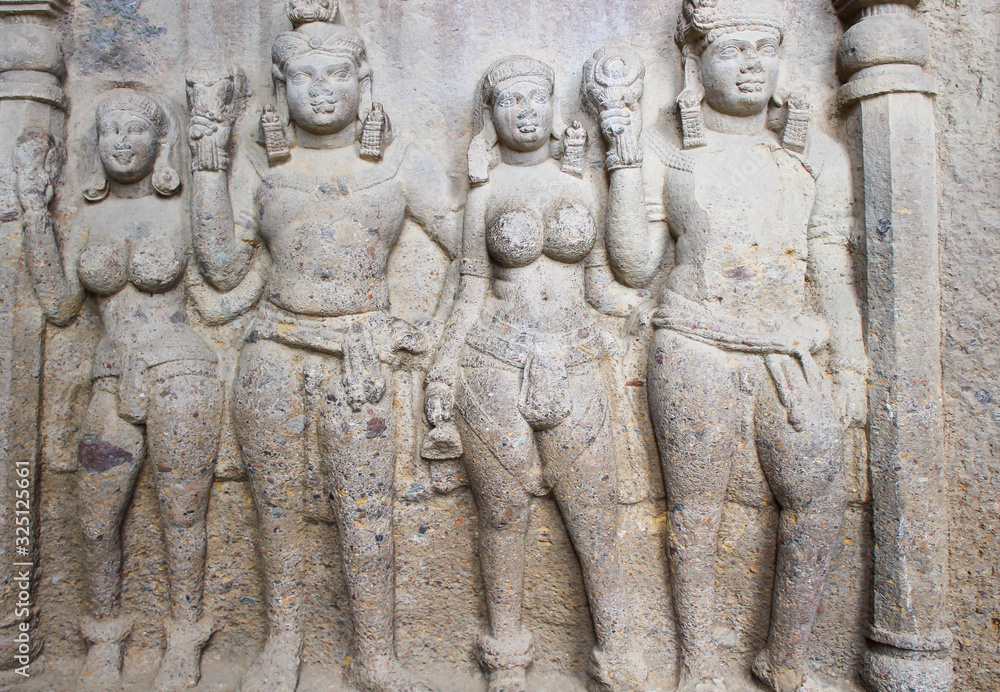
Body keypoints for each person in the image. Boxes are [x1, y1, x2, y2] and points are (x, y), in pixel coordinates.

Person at [185, 5, 461, 691]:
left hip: (360, 351)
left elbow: (471, 250)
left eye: (336, 74)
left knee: (366, 508)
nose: (321, 90)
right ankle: (283, 646)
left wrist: (429, 330)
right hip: (275, 348)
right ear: (280, 86)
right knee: (275, 508)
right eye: (305, 77)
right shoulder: (263, 167)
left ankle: (377, 654)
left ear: (363, 80)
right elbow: (221, 266)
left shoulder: (399, 162)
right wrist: (208, 165)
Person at [594, 1, 867, 689]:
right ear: (695, 61)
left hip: (791, 350)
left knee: (818, 497)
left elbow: (829, 265)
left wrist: (853, 363)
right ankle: (697, 664)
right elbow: (633, 264)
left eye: (762, 48)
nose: (750, 63)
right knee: (696, 511)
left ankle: (790, 659)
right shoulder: (667, 147)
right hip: (694, 343)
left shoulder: (817, 155)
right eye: (731, 48)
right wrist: (623, 155)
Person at [423, 55, 648, 692]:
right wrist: (442, 373)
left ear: (552, 109)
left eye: (536, 99)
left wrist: (640, 314)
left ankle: (617, 651)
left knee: (596, 517)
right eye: (510, 101)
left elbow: (602, 280)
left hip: (575, 359)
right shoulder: (486, 190)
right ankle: (506, 657)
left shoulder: (581, 183)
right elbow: (469, 287)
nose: (525, 112)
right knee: (501, 519)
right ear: (490, 116)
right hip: (495, 363)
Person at [16, 91, 224, 692]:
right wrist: (34, 209)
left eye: (136, 131)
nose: (124, 142)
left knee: (183, 517)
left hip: (180, 374)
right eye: (112, 133)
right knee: (94, 519)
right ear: (97, 144)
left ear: (160, 144)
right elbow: (58, 306)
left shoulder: (183, 210)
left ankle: (185, 637)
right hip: (111, 376)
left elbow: (222, 270)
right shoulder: (90, 218)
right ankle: (103, 636)